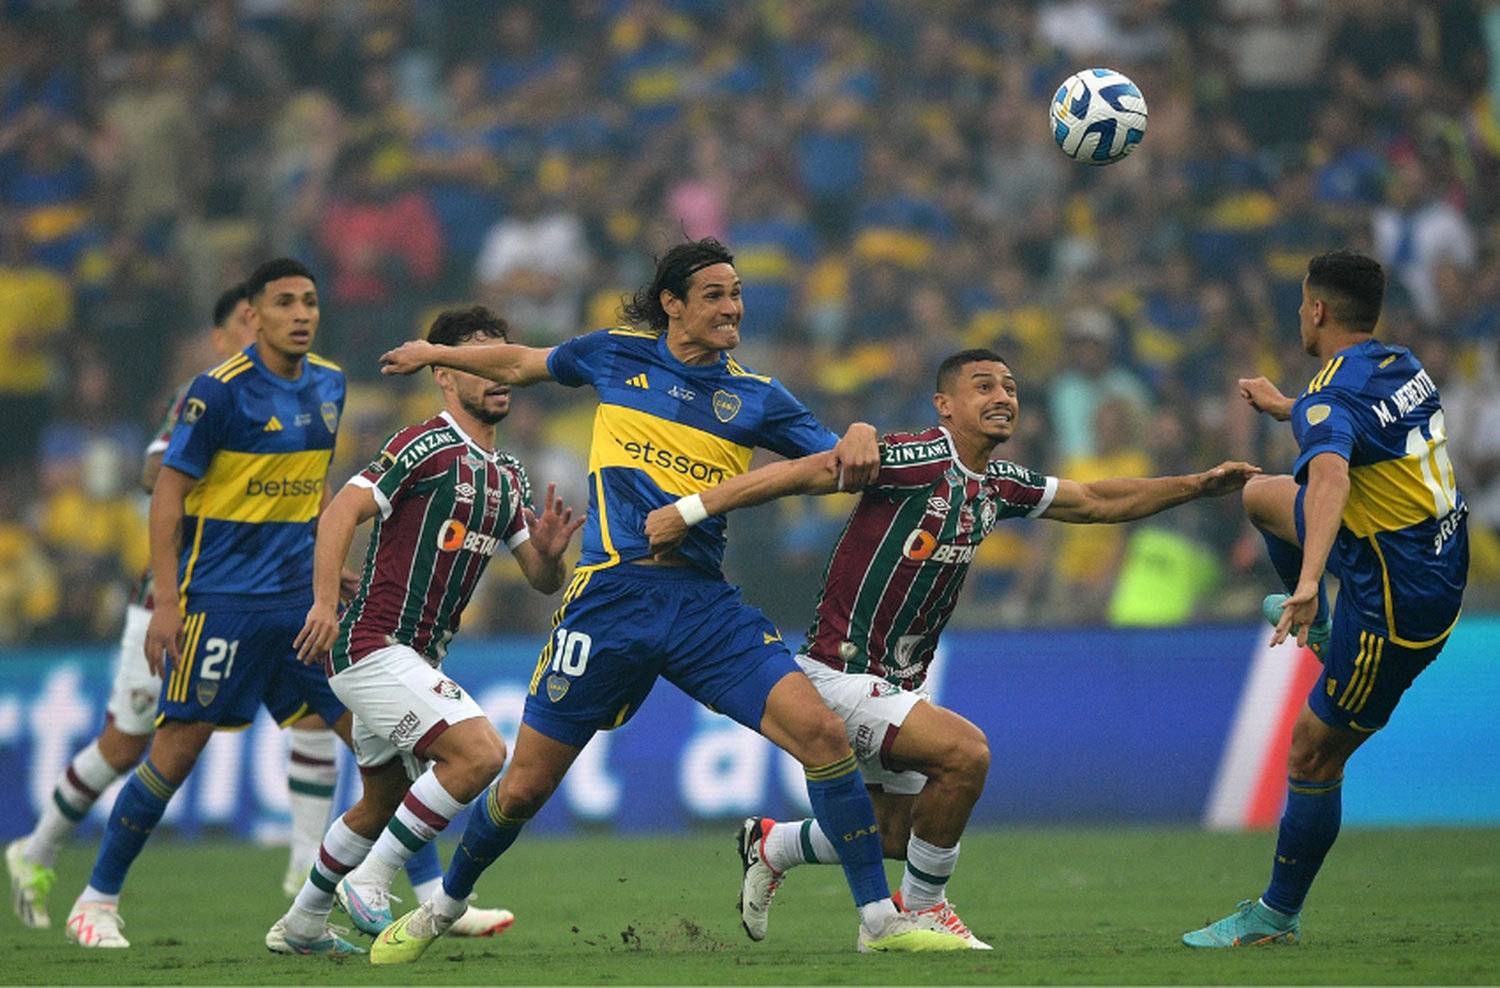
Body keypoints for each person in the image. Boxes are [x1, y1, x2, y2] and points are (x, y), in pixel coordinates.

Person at [370, 237, 971, 962]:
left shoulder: (756, 397)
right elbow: (523, 364)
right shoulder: (616, 354)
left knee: (821, 736)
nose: (733, 307)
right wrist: (435, 354)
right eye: (715, 294)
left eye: (738, 293)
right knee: (523, 788)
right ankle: (445, 905)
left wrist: (865, 428)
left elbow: (839, 460)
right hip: (609, 600)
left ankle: (880, 918)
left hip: (701, 606)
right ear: (673, 305)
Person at [641, 347, 1259, 948]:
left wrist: (1197, 486)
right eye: (984, 386)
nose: (1003, 398)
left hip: (898, 681)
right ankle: (922, 912)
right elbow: (801, 473)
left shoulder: (997, 484)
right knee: (966, 754)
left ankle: (772, 845)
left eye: (1011, 388)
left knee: (897, 831)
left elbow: (1096, 501)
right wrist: (691, 509)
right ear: (945, 404)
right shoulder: (915, 459)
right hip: (840, 671)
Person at [6, 284, 348, 926]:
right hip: (178, 596)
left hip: (263, 595)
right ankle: (39, 845)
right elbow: (152, 477)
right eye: (247, 325)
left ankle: (306, 863)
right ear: (223, 337)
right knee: (129, 742)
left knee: (312, 719)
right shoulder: (207, 395)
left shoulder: (298, 392)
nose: (264, 333)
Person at [267, 305, 583, 956]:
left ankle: (301, 924)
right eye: (480, 360)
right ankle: (374, 883)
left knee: (382, 797)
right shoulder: (425, 445)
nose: (499, 374)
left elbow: (541, 581)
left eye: (505, 360)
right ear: (446, 373)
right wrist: (324, 603)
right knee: (480, 755)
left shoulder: (509, 475)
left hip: (412, 658)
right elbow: (339, 514)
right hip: (371, 647)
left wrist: (550, 554)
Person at [1183, 248, 1467, 947]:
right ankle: (1317, 624)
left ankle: (1276, 916)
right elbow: (1356, 431)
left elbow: (1334, 478)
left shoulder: (1329, 397)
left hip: (1398, 604)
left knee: (1313, 753)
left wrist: (1309, 583)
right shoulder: (1399, 363)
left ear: (1316, 309)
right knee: (1263, 495)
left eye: (1300, 302)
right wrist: (1291, 408)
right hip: (1431, 551)